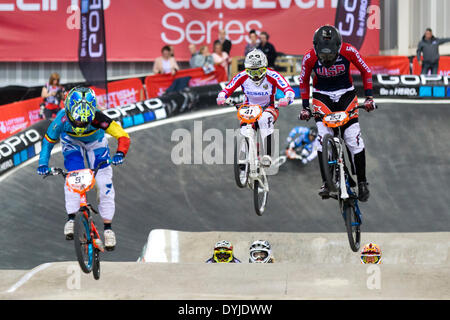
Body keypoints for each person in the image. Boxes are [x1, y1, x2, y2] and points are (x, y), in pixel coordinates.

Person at [36, 87, 131, 250]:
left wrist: (120, 153)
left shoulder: (98, 117)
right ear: (69, 112)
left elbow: (122, 135)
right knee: (74, 177)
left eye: (84, 121)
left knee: (104, 182)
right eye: (77, 120)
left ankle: (108, 229)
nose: (80, 123)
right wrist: (43, 164)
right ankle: (71, 218)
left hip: (96, 143)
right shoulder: (61, 119)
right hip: (71, 142)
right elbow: (48, 143)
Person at [298, 25, 376, 202]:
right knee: (322, 138)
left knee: (353, 138)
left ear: (338, 47)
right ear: (316, 48)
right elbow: (303, 81)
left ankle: (362, 182)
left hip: (346, 95)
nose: (326, 59)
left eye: (330, 55)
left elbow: (366, 71)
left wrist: (369, 97)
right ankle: (326, 182)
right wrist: (305, 107)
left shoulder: (349, 50)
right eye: (323, 55)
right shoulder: (309, 57)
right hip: (322, 96)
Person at [217, 49, 295, 168]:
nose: (256, 75)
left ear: (265, 67)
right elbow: (227, 88)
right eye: (252, 72)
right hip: (249, 107)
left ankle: (267, 156)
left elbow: (288, 89)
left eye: (259, 71)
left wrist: (287, 98)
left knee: (264, 120)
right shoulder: (242, 76)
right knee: (245, 129)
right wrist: (222, 96)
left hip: (269, 107)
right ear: (247, 70)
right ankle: (247, 154)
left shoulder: (272, 75)